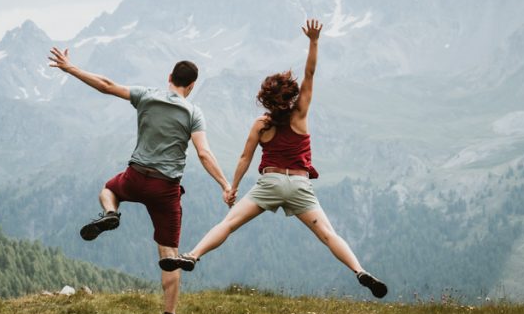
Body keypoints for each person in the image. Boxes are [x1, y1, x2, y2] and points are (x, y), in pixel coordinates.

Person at [159, 19, 388, 299]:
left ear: (266, 99)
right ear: (290, 95)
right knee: (329, 234)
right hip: (300, 185)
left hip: (271, 182)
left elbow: (244, 158)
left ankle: (193, 255)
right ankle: (359, 270)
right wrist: (314, 41)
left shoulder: (261, 125)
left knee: (228, 224)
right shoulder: (300, 116)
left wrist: (232, 188)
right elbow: (310, 73)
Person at [47, 47, 232, 314]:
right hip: (165, 190)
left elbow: (106, 85)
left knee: (108, 190)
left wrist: (70, 68)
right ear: (191, 86)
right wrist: (225, 184)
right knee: (169, 255)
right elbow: (204, 153)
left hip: (135, 177)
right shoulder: (193, 113)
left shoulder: (146, 96)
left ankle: (111, 213)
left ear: (169, 77)